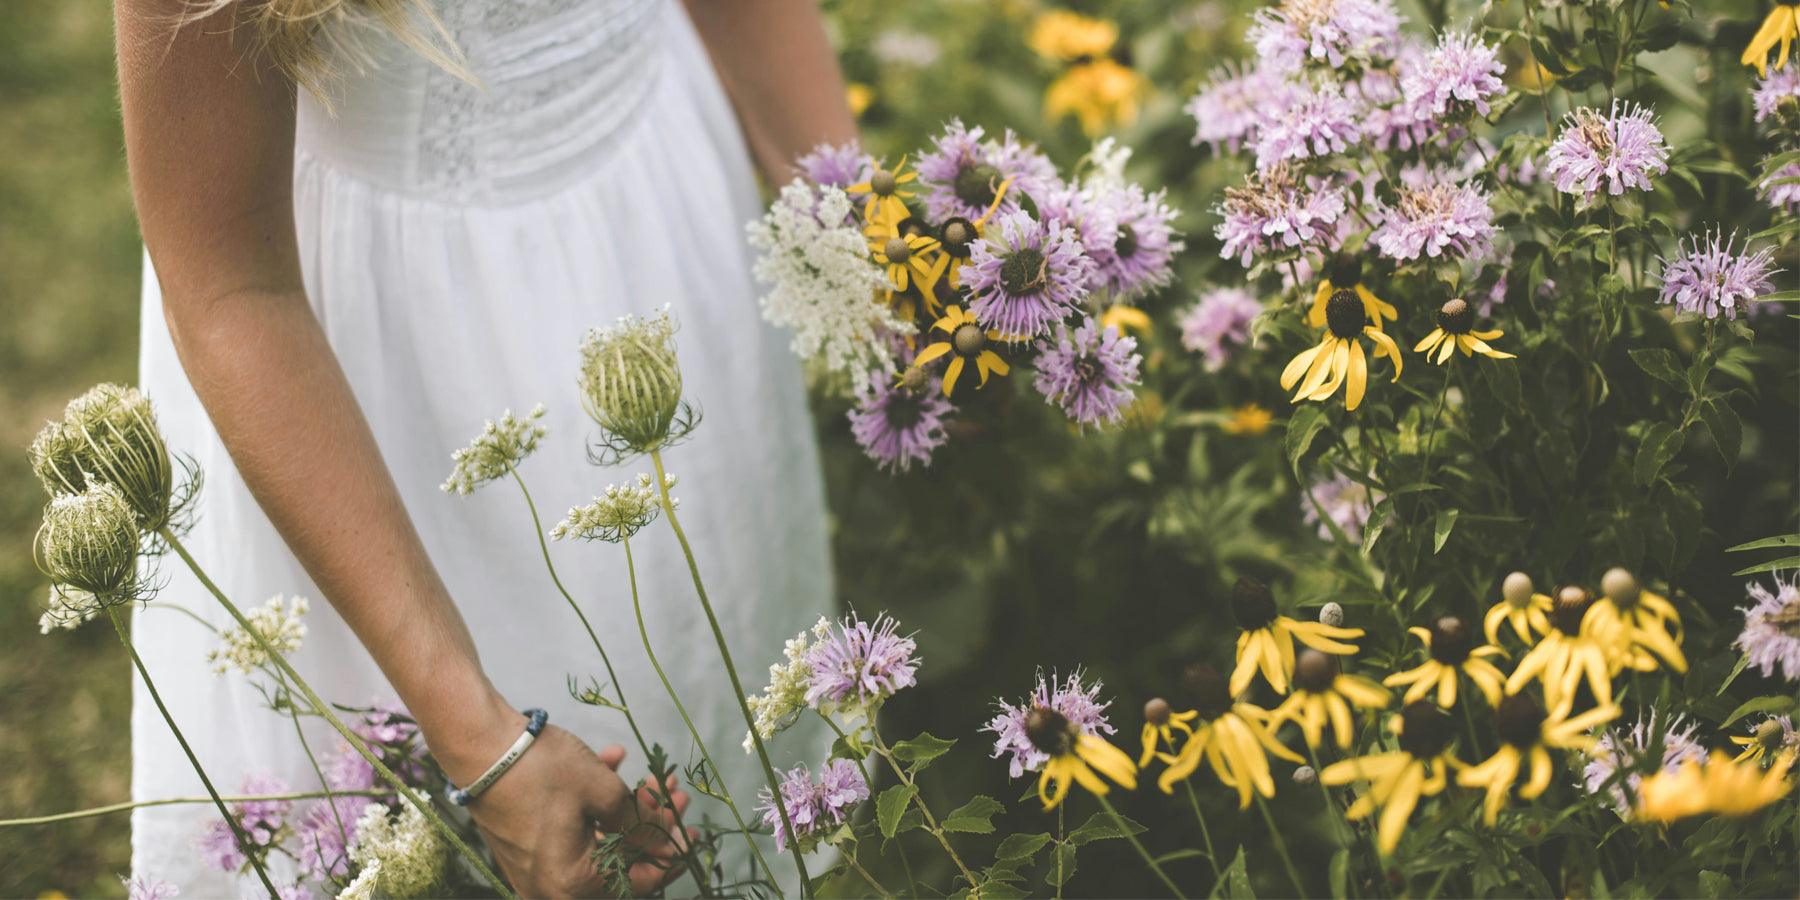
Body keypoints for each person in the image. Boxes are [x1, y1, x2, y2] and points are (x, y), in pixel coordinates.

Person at [114, 0, 855, 893]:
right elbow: (229, 281)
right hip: (381, 371)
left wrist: (867, 251)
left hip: (665, 219)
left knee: (710, 700)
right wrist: (482, 742)